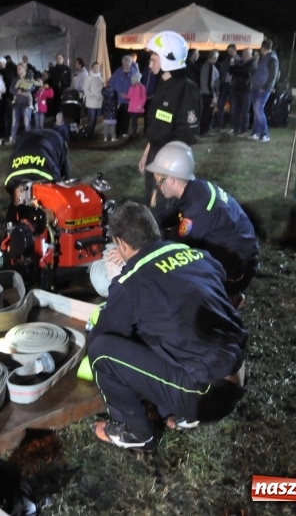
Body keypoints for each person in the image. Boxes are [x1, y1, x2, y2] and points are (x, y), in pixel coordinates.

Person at [89, 201, 248, 452]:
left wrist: (115, 282)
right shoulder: (194, 254)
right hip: (237, 374)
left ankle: (136, 433)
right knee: (161, 324)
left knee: (101, 351)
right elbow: (232, 298)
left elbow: (104, 336)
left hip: (206, 395)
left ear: (120, 243)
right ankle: (179, 412)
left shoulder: (131, 283)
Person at [148, 142, 259, 306]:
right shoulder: (195, 189)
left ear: (171, 179)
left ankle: (227, 297)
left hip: (238, 269)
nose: (158, 186)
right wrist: (146, 223)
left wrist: (143, 251)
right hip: (238, 254)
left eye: (159, 180)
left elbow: (177, 251)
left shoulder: (197, 209)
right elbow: (174, 213)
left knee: (172, 274)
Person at [137, 31, 200, 208]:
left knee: (164, 208)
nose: (150, 65)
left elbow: (188, 133)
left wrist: (167, 166)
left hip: (170, 159)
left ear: (168, 60)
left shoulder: (186, 87)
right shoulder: (163, 83)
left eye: (153, 60)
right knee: (150, 201)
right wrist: (147, 154)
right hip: (155, 154)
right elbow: (158, 124)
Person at [3, 129, 70, 195]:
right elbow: (64, 180)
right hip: (47, 144)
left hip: (33, 142)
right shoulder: (50, 177)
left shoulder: (11, 181)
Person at [250, 40, 279, 142]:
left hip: (263, 89)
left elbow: (273, 75)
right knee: (256, 110)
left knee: (258, 109)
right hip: (256, 87)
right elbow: (257, 71)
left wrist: (266, 87)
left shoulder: (272, 59)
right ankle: (256, 132)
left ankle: (265, 133)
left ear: (263, 47)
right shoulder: (264, 58)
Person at [8, 64, 41, 142]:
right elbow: (11, 89)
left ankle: (28, 139)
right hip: (17, 103)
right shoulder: (15, 79)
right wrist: (17, 92)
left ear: (24, 69)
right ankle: (13, 138)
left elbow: (33, 87)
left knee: (27, 122)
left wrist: (22, 91)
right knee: (15, 122)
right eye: (17, 69)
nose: (18, 71)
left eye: (20, 69)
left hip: (26, 103)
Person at [229, 48, 256, 136]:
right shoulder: (240, 61)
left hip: (246, 90)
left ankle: (244, 130)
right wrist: (236, 68)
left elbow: (247, 71)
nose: (245, 55)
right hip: (236, 88)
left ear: (250, 54)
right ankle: (236, 129)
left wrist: (237, 69)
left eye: (247, 53)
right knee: (236, 110)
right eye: (244, 53)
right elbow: (231, 71)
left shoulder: (253, 62)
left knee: (245, 111)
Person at [109, 56, 135, 138]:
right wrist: (115, 93)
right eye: (125, 61)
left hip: (129, 99)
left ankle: (124, 131)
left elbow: (137, 84)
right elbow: (111, 82)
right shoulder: (118, 72)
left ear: (131, 62)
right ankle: (116, 132)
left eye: (128, 61)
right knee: (118, 115)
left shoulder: (134, 72)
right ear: (122, 62)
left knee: (126, 116)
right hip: (119, 98)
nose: (126, 63)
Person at [215, 44, 237, 130]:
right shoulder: (226, 61)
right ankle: (220, 125)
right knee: (221, 104)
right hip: (225, 84)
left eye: (230, 51)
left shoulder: (239, 60)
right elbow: (222, 72)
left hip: (234, 86)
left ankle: (232, 125)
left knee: (233, 106)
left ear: (235, 50)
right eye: (228, 51)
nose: (229, 52)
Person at [199, 50, 220, 135]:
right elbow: (209, 82)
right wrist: (213, 96)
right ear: (214, 57)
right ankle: (205, 130)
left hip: (206, 93)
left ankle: (205, 129)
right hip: (208, 93)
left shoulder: (205, 66)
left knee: (206, 112)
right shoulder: (209, 66)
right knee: (208, 113)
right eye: (216, 57)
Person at [83, 62, 104, 137]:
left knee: (95, 118)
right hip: (91, 102)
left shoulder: (101, 78)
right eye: (95, 67)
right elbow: (86, 89)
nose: (96, 69)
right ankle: (88, 133)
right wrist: (92, 95)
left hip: (99, 102)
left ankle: (91, 132)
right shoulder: (89, 78)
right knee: (91, 118)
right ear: (92, 68)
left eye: (98, 67)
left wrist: (102, 96)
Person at [126, 73, 146, 138]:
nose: (132, 81)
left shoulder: (141, 87)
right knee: (133, 120)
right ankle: (133, 131)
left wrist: (141, 105)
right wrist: (124, 96)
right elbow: (129, 96)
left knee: (134, 120)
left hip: (137, 107)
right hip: (131, 107)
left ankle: (134, 132)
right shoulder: (131, 87)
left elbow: (144, 97)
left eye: (133, 80)